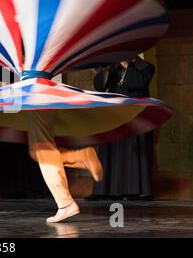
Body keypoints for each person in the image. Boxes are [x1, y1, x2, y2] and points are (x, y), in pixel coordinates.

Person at [91, 56, 155, 199]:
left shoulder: (146, 66)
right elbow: (100, 86)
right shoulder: (113, 66)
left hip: (135, 116)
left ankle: (133, 190)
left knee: (131, 154)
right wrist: (103, 71)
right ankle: (104, 191)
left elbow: (140, 83)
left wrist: (126, 64)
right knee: (110, 153)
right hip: (114, 115)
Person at [27, 110, 104, 222]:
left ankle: (65, 203)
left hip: (41, 96)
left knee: (42, 149)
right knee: (37, 150)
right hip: (44, 97)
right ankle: (82, 156)